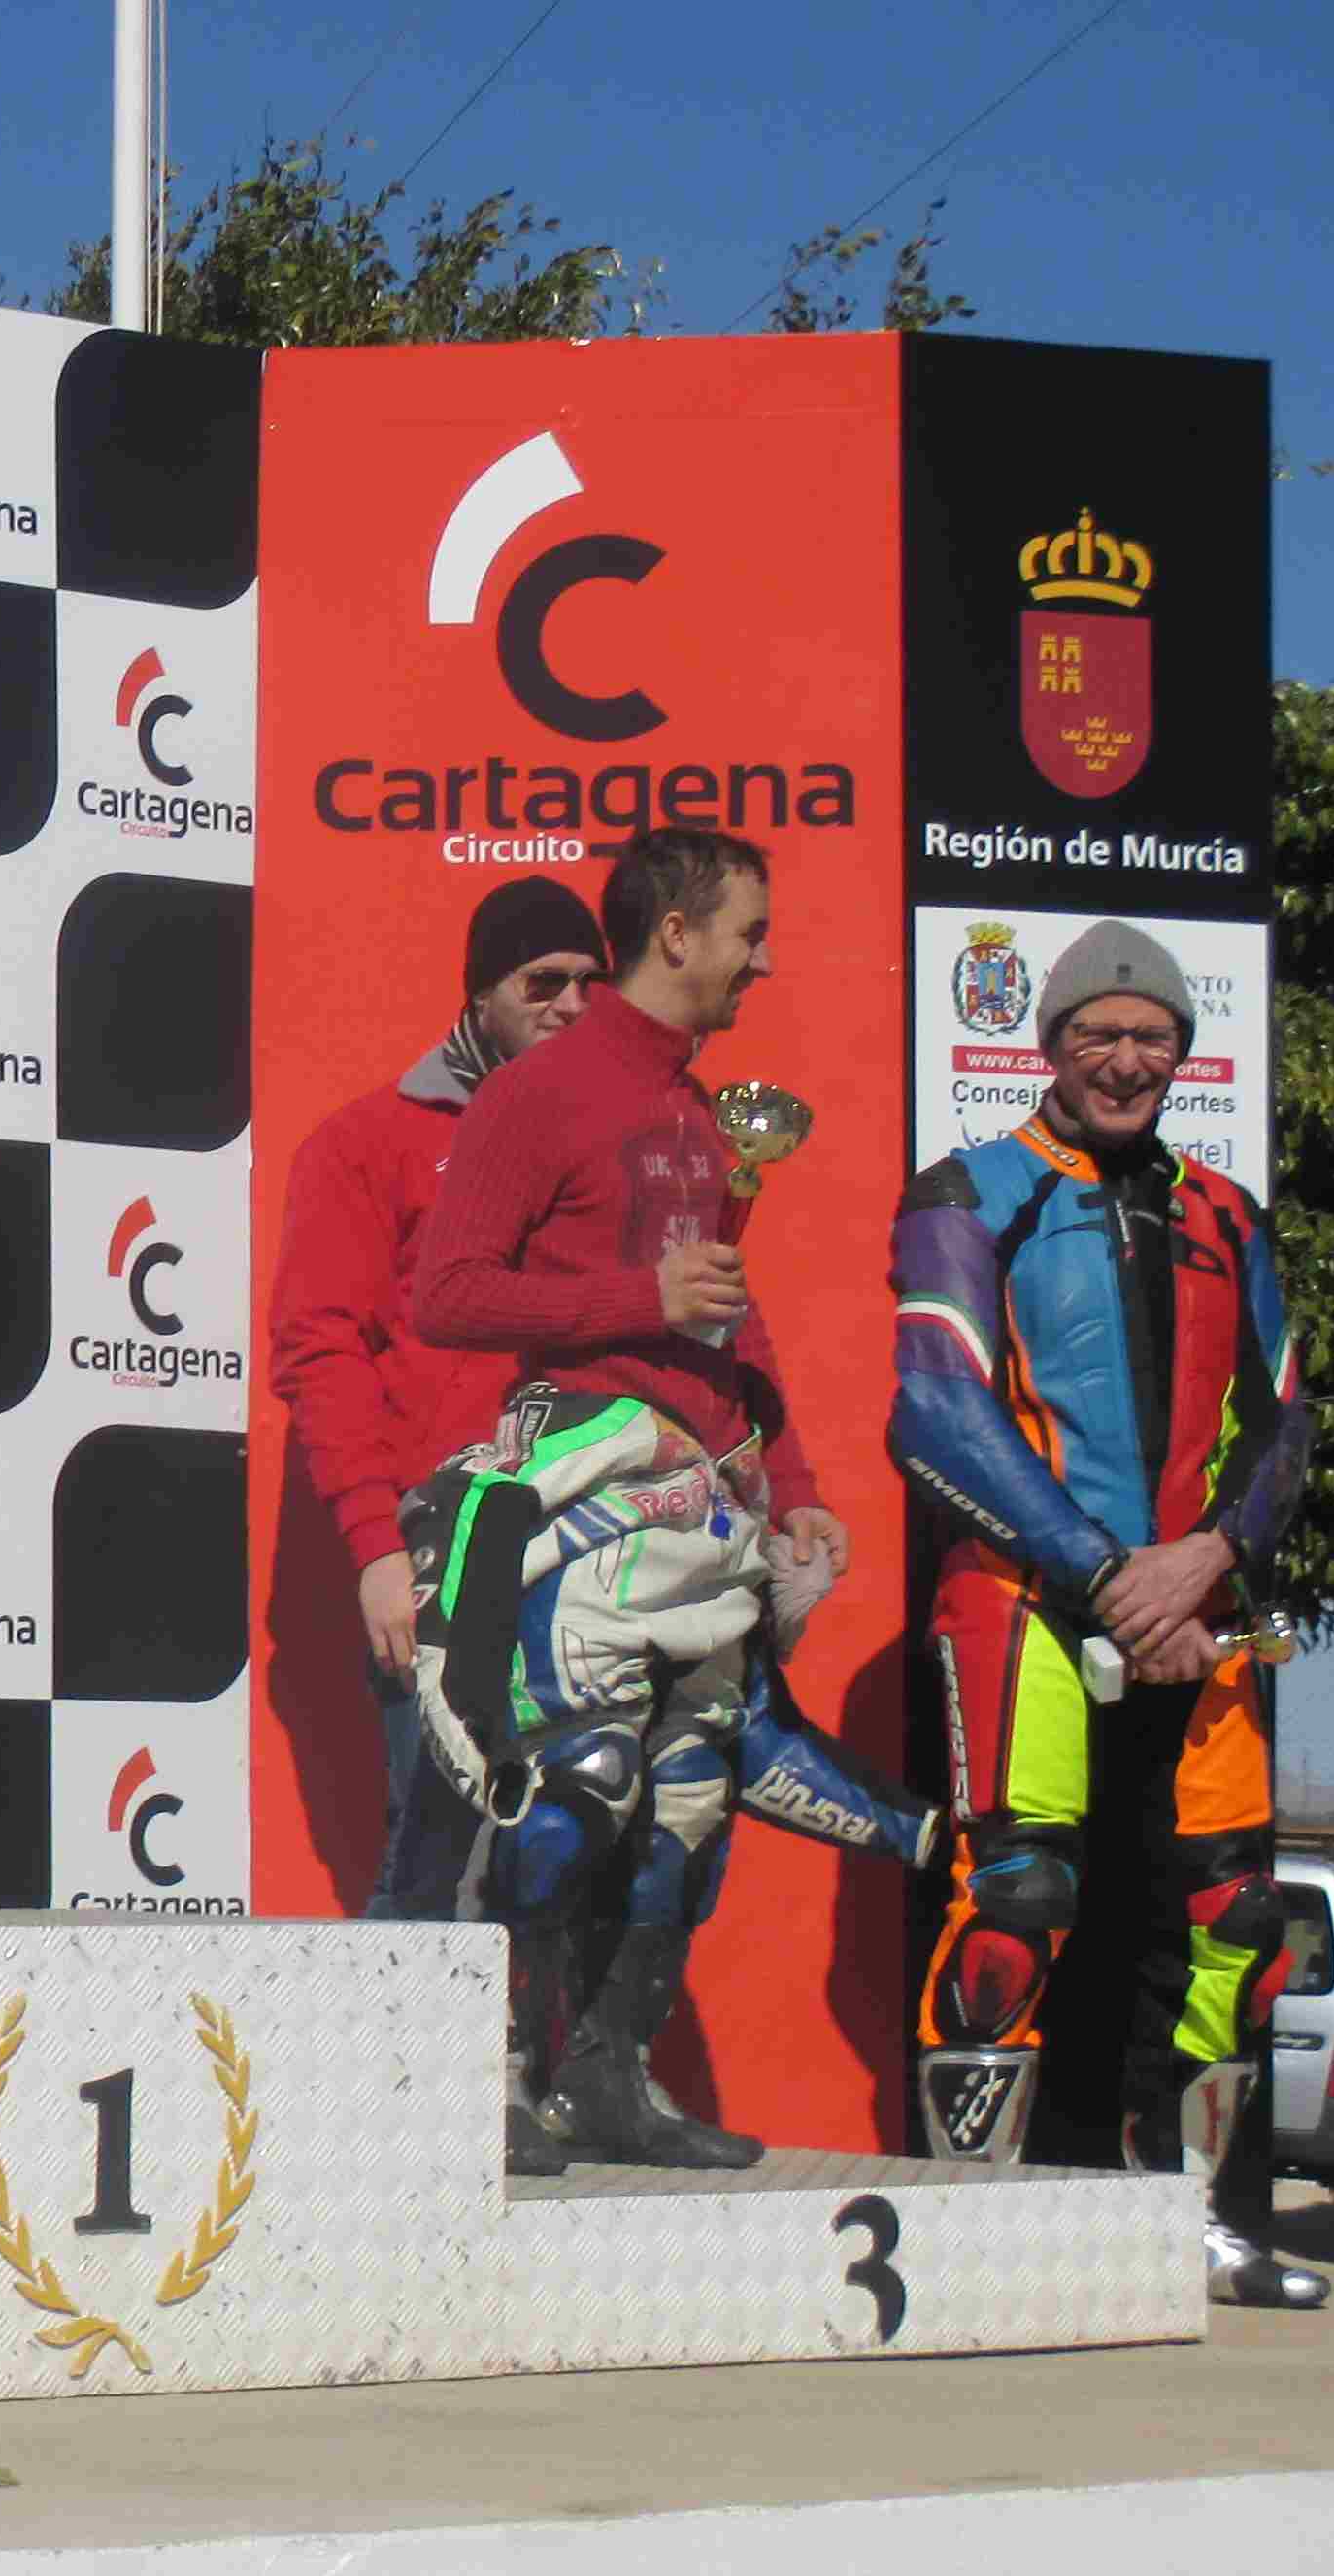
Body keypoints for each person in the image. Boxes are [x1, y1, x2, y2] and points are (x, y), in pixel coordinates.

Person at [890, 921, 1321, 2307]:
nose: (1126, 1060)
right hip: (1022, 1601)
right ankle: (965, 2232)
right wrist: (1107, 1575)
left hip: (1198, 1607)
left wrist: (1205, 1561)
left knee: (1234, 1914)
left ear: (1180, 1054)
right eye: (1098, 1034)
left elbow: (1283, 1423)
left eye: (1152, 1038)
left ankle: (1189, 2223)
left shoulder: (1227, 1214)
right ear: (1049, 1046)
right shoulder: (969, 1191)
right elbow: (935, 1411)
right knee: (1018, 1897)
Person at [405, 828, 848, 2173]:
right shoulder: (540, 1092)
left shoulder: (697, 1110)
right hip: (586, 1483)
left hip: (704, 1504)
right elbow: (446, 1294)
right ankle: (485, 2081)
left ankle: (608, 2080)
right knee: (567, 1793)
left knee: (685, 1808)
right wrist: (633, 1298)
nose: (761, 961)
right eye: (747, 934)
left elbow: (724, 1314)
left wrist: (792, 1482)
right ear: (674, 933)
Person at [273, 879, 609, 1920]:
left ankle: (550, 2040)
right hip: (443, 1548)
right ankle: (393, 2039)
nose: (569, 1004)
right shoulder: (368, 1142)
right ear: (479, 993)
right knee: (435, 1866)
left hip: (594, 1537)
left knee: (586, 1851)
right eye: (541, 981)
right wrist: (377, 1548)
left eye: (588, 983)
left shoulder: (615, 1141)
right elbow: (320, 1349)